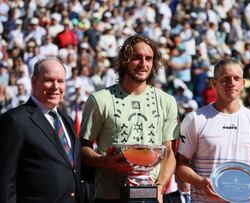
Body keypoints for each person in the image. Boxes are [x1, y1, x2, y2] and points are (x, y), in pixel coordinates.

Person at [80, 34, 179, 203]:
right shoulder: (99, 100)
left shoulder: (167, 101)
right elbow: (82, 150)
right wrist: (106, 161)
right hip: (109, 197)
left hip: (150, 195)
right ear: (125, 60)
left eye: (148, 59)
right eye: (136, 58)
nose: (143, 64)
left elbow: (168, 153)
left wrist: (160, 188)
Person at [176, 58, 250, 202]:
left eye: (236, 78)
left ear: (243, 83)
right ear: (214, 83)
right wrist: (201, 182)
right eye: (225, 79)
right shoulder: (195, 119)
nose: (231, 83)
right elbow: (180, 167)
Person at [0, 57, 82, 202]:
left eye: (61, 81)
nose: (56, 87)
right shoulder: (14, 121)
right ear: (34, 82)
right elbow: (5, 182)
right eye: (49, 80)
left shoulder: (66, 120)